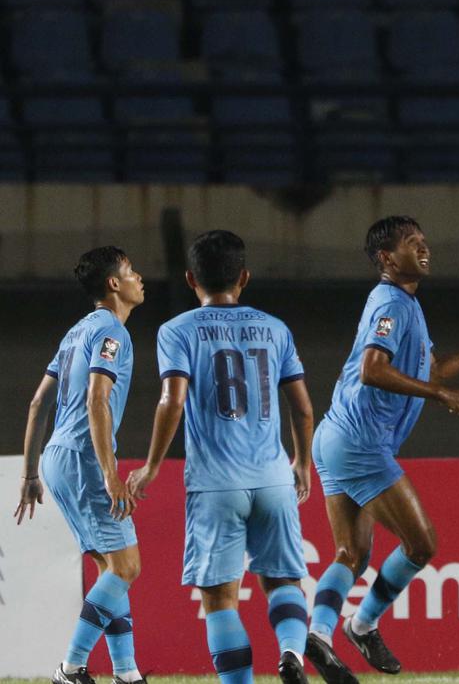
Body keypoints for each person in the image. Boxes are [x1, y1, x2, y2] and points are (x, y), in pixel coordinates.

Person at [304, 216, 459, 684]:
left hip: (333, 437)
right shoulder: (389, 301)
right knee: (421, 542)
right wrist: (438, 396)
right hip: (359, 441)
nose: (425, 248)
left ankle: (320, 635)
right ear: (388, 259)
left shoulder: (406, 304)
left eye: (425, 240)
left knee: (351, 553)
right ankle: (363, 624)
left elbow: (432, 370)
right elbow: (373, 369)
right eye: (413, 243)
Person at [126, 231, 316, 684]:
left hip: (216, 483)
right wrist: (303, 463)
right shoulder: (275, 328)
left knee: (219, 600)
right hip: (273, 477)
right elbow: (303, 407)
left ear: (191, 278)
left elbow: (172, 401)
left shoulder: (177, 331)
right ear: (244, 277)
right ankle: (291, 652)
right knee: (284, 583)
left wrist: (152, 466)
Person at [15, 246, 147, 684]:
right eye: (130, 271)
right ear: (114, 284)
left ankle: (127, 673)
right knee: (127, 566)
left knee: (111, 570)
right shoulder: (113, 332)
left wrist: (31, 473)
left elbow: (37, 404)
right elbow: (97, 397)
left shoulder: (74, 333)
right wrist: (111, 473)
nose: (138, 278)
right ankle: (70, 668)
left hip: (55, 457)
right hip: (84, 458)